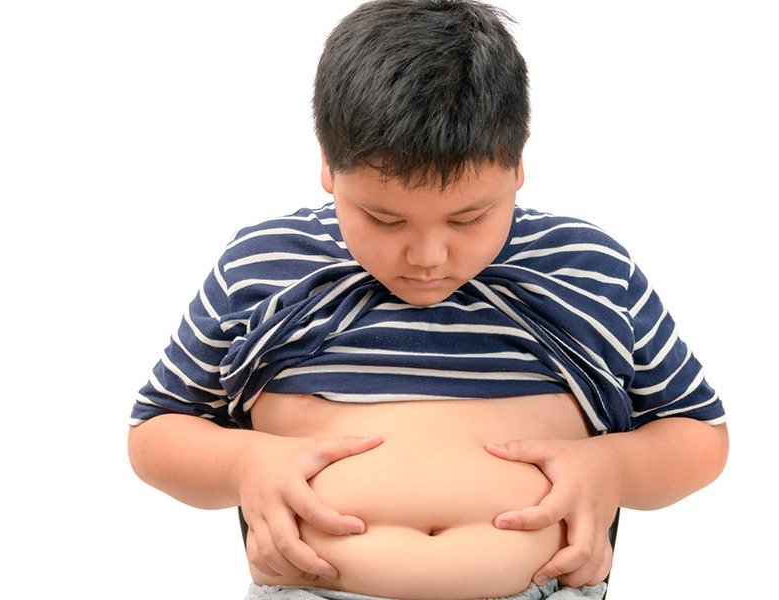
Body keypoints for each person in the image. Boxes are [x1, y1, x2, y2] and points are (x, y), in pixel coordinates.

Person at [127, 1, 728, 599]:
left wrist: (613, 468)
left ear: (518, 162)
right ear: (328, 164)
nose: (427, 256)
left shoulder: (586, 267)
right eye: (384, 220)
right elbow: (155, 432)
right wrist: (243, 465)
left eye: (468, 218)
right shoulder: (266, 263)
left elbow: (699, 433)